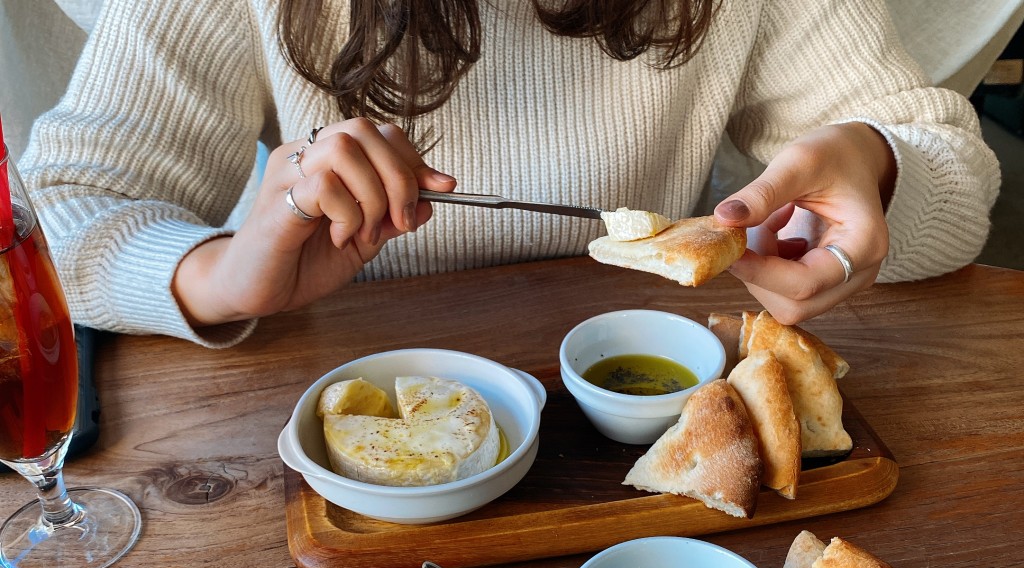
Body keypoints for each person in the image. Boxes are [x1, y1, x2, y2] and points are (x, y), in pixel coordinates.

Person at [20, 0, 1000, 347]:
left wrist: (874, 167)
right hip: (345, 437)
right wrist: (219, 273)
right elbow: (59, 206)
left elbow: (954, 178)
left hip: (640, 421)